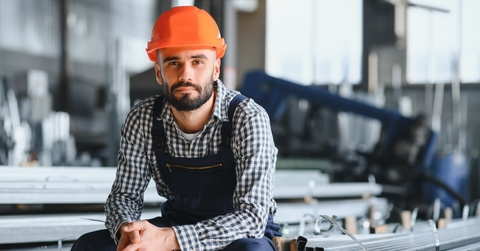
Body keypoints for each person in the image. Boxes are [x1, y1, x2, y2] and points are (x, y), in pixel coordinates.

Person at [71, 5, 281, 251]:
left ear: (215, 68)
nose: (186, 74)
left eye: (197, 61)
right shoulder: (143, 119)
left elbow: (252, 218)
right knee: (88, 246)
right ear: (159, 71)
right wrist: (129, 232)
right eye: (173, 63)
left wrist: (171, 239)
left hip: (237, 234)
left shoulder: (247, 118)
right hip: (177, 221)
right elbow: (124, 197)